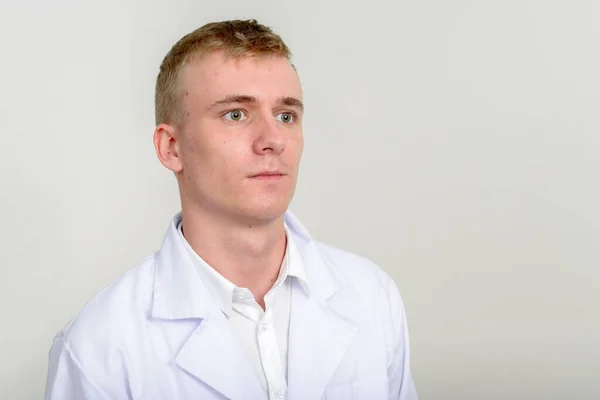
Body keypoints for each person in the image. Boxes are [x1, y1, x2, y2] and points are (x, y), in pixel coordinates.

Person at [44, 19, 418, 400]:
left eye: (286, 116)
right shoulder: (98, 347)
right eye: (236, 114)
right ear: (171, 148)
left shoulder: (372, 296)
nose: (273, 140)